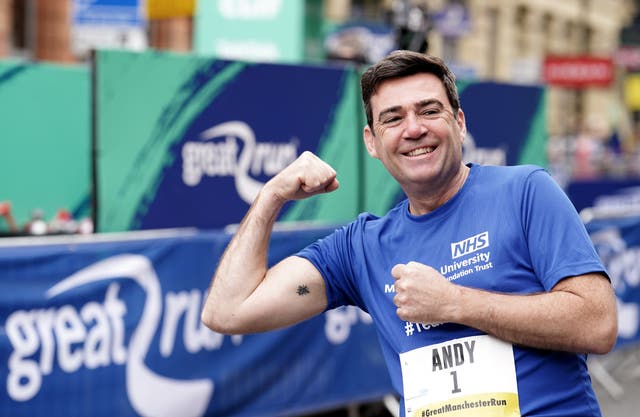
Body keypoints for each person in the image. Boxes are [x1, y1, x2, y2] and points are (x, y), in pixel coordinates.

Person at [201, 50, 618, 417]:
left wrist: (455, 302)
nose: (413, 129)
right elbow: (228, 311)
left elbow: (598, 324)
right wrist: (271, 196)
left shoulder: (525, 191)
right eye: (393, 118)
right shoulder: (361, 247)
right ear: (372, 142)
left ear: (459, 122)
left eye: (429, 110)